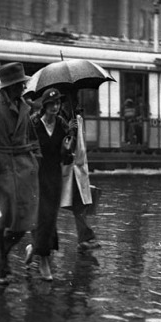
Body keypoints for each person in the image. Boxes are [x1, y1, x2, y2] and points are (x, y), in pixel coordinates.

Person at [0, 62, 40, 286]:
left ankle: (1, 256)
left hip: (22, 171)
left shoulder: (25, 107)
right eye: (20, 84)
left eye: (23, 84)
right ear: (8, 87)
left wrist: (35, 160)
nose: (23, 88)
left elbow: (32, 138)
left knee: (23, 221)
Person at [26, 88, 70, 281]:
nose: (55, 107)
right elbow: (25, 148)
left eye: (58, 104)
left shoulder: (62, 125)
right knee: (41, 216)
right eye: (52, 104)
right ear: (44, 106)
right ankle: (43, 260)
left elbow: (66, 157)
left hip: (54, 175)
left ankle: (33, 248)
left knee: (50, 216)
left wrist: (70, 146)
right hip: (36, 175)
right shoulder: (33, 124)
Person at [60, 90, 101, 251]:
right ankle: (85, 238)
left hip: (76, 168)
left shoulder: (75, 118)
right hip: (68, 168)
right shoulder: (64, 120)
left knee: (79, 204)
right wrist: (69, 130)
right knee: (78, 204)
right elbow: (65, 144)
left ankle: (85, 238)